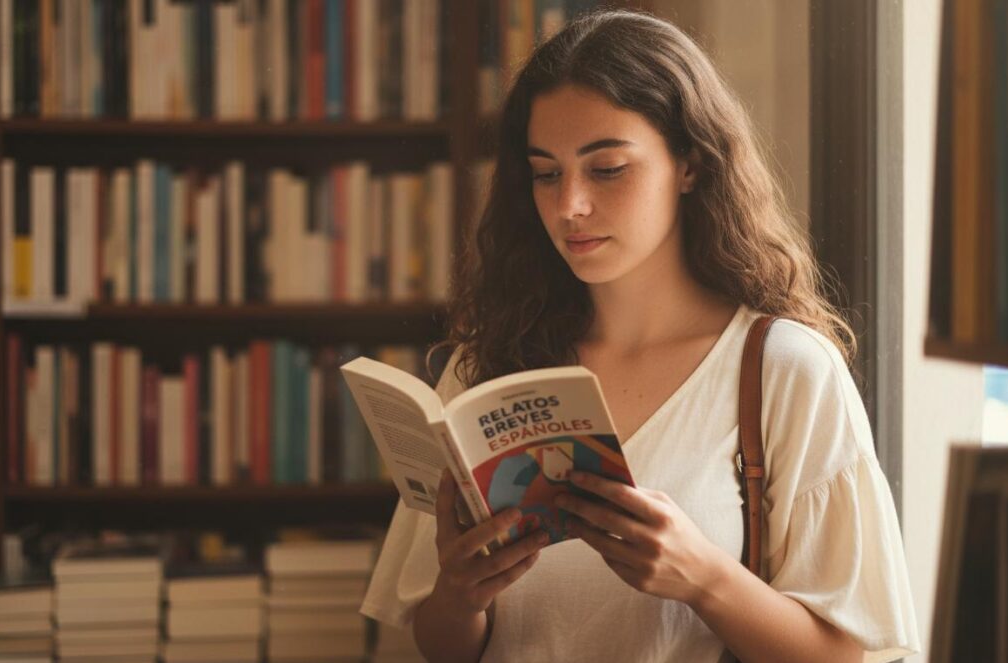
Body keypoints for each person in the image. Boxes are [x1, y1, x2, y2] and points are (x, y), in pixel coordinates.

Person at [359, 9, 919, 663]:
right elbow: (437, 645)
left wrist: (705, 577)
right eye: (546, 173)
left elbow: (846, 653)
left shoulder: (783, 370)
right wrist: (459, 593)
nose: (569, 204)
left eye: (607, 169)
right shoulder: (487, 370)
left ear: (689, 163)